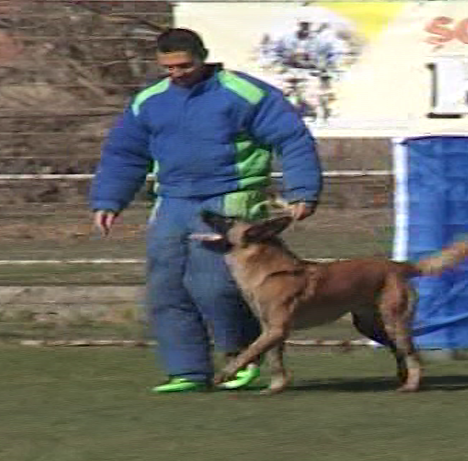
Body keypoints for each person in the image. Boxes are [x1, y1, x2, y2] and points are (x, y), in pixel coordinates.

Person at [90, 28, 323, 393]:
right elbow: (124, 153)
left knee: (213, 285)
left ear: (203, 57)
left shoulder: (245, 93)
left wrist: (303, 190)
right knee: (166, 288)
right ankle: (187, 370)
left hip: (231, 198)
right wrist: (108, 200)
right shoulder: (149, 101)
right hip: (172, 202)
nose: (177, 73)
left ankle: (241, 358)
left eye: (184, 66)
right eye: (168, 67)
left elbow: (292, 139)